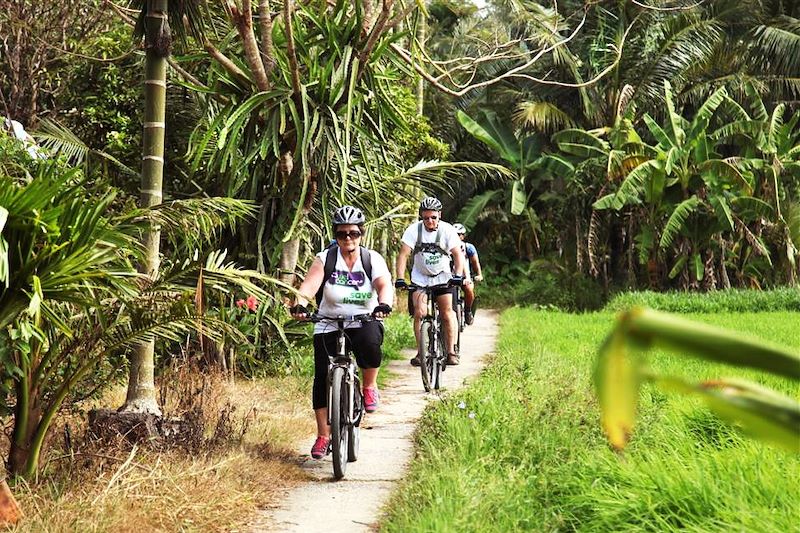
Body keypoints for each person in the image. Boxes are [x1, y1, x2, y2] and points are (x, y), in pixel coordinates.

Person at [289, 206, 394, 459]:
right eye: (342, 234)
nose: (348, 238)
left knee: (370, 342)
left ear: (361, 234)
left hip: (362, 319)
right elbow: (310, 285)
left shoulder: (372, 259)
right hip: (329, 321)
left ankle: (369, 385)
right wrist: (300, 304)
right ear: (335, 235)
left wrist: (383, 303)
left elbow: (383, 284)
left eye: (353, 233)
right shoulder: (325, 258)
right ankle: (323, 436)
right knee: (321, 377)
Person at [395, 196, 468, 366]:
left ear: (439, 215)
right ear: (421, 216)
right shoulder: (413, 230)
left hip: (442, 277)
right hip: (420, 278)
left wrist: (458, 275)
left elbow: (458, 255)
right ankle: (421, 352)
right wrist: (399, 278)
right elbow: (403, 254)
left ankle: (450, 351)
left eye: (433, 217)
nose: (430, 221)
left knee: (446, 312)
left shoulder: (447, 230)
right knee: (419, 313)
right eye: (426, 217)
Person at [453, 223, 483, 325]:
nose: (456, 236)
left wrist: (478, 274)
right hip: (449, 277)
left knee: (469, 289)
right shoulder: (445, 245)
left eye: (459, 234)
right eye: (454, 234)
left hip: (464, 276)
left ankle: (467, 311)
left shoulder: (468, 247)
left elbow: (475, 262)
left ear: (463, 236)